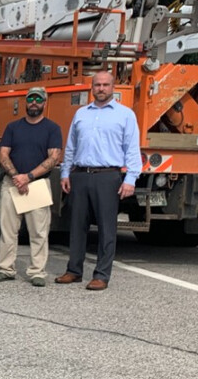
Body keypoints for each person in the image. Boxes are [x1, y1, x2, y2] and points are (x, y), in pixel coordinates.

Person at [57, 71, 141, 291]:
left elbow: (132, 149)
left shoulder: (125, 115)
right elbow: (71, 146)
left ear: (113, 87)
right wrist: (65, 172)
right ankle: (74, 270)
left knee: (106, 227)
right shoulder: (81, 114)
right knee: (76, 225)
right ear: (91, 87)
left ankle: (101, 275)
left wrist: (130, 178)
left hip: (108, 176)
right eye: (97, 85)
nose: (101, 88)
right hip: (81, 174)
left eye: (105, 85)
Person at [0, 87, 63, 287]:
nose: (34, 102)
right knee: (8, 230)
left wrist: (29, 177)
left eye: (38, 99)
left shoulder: (52, 128)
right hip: (11, 183)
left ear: (44, 102)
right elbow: (3, 154)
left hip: (38, 184)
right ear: (25, 101)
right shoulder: (13, 127)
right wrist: (16, 176)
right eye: (30, 98)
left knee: (39, 231)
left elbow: (54, 157)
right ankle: (5, 269)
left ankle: (37, 272)